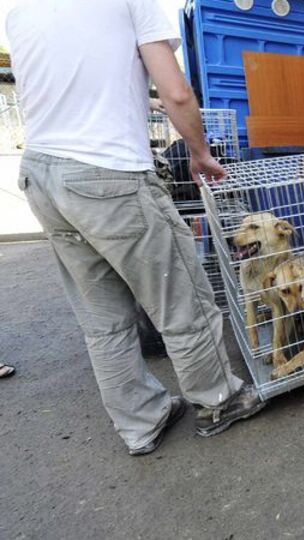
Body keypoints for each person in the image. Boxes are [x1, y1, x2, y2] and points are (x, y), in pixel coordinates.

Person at [7, 0, 265, 456]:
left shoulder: (23, 11)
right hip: (108, 175)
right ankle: (220, 400)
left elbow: (73, 86)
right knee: (182, 298)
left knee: (103, 319)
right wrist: (200, 153)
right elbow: (179, 93)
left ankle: (141, 422)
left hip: (42, 174)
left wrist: (139, 99)